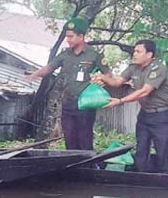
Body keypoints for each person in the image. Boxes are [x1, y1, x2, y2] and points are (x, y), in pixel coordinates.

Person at [26, 18, 109, 150]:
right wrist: (35, 74)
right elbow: (50, 67)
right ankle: (73, 168)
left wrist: (101, 80)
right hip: (68, 103)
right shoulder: (64, 55)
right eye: (66, 36)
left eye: (71, 36)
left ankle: (87, 168)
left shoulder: (94, 55)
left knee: (84, 139)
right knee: (70, 139)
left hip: (85, 104)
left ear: (81, 36)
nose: (68, 40)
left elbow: (108, 75)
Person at [92, 40, 168, 173]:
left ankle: (163, 183)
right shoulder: (133, 67)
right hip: (145, 114)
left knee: (162, 151)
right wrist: (102, 77)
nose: (134, 54)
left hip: (161, 115)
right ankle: (140, 181)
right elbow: (117, 81)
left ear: (149, 54)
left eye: (138, 51)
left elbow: (144, 91)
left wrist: (120, 101)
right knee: (141, 150)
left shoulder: (158, 68)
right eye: (134, 51)